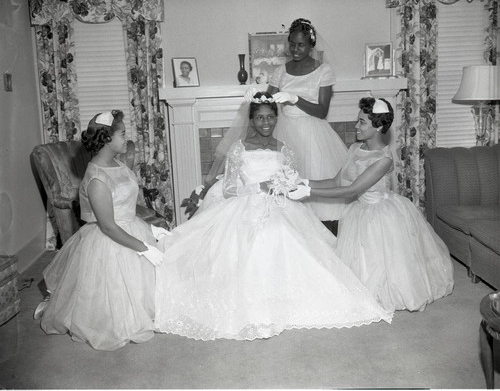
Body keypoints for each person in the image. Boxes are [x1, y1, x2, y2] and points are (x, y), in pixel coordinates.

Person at [154, 92, 392, 341]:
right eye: (259, 118)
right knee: (254, 239)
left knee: (287, 235)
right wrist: (260, 187)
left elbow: (293, 180)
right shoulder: (239, 148)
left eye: (270, 117)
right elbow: (229, 188)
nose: (265, 123)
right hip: (246, 203)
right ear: (251, 120)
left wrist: (290, 186)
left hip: (280, 204)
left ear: (277, 118)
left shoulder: (284, 149)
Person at [289, 97, 454, 312]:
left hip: (381, 214)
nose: (356, 126)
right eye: (357, 120)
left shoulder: (384, 159)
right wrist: (302, 181)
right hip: (359, 212)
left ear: (378, 127)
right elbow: (336, 182)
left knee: (386, 271)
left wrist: (308, 192)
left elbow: (353, 190)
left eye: (362, 122)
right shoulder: (354, 148)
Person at [34, 110, 170, 351]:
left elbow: (125, 207)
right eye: (123, 134)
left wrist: (151, 229)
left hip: (130, 228)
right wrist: (144, 248)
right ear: (107, 138)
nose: (126, 139)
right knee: (115, 308)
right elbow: (108, 225)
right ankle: (55, 304)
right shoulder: (97, 178)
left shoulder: (117, 164)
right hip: (110, 239)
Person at [258, 18, 348, 225]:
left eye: (301, 45)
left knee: (311, 193)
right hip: (285, 131)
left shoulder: (323, 70)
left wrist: (295, 99)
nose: (295, 49)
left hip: (312, 133)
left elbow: (322, 111)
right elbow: (266, 102)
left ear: (311, 45)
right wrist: (256, 96)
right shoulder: (280, 71)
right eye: (292, 44)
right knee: (284, 192)